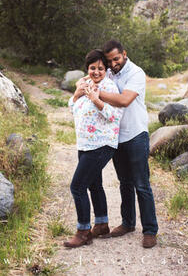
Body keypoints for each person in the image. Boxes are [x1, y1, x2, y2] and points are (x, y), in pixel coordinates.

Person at [75, 40, 159, 248]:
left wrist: (94, 92)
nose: (113, 64)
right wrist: (84, 84)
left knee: (142, 184)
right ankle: (128, 223)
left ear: (124, 54)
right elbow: (93, 74)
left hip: (136, 133)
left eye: (116, 59)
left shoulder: (136, 73)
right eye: (110, 60)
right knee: (125, 182)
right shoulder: (110, 71)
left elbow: (123, 100)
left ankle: (150, 230)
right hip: (117, 136)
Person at [63, 50, 123, 248]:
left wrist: (97, 100)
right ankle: (102, 224)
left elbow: (114, 116)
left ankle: (83, 232)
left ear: (105, 69)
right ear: (87, 68)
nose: (96, 72)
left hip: (102, 144)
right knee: (94, 185)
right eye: (92, 68)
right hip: (85, 144)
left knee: (77, 186)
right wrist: (77, 94)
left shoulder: (109, 87)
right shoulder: (84, 83)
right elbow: (73, 108)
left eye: (100, 68)